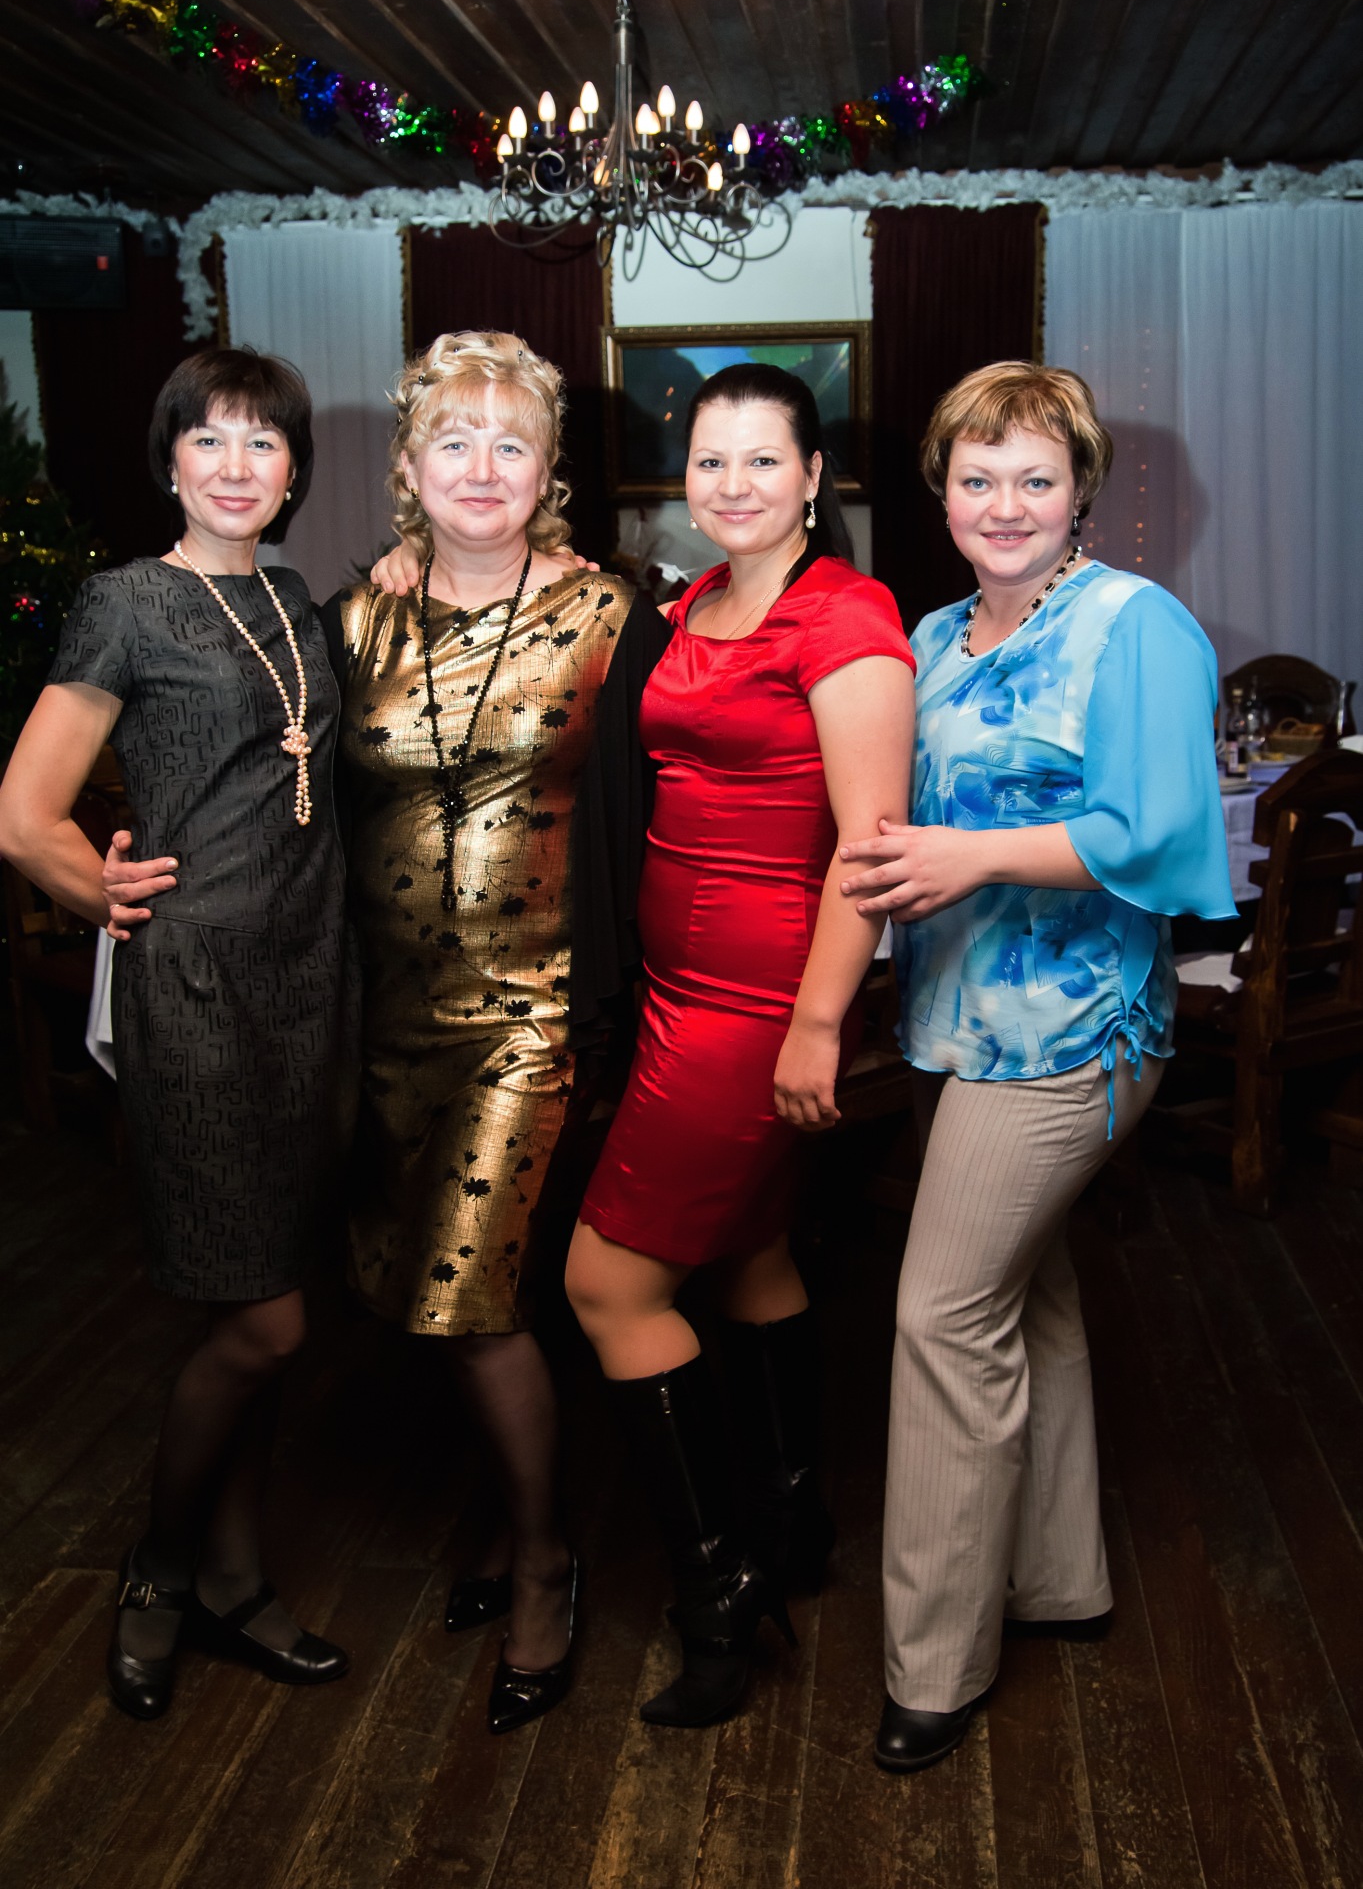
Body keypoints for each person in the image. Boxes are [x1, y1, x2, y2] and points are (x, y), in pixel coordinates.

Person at [838, 361, 1237, 1773]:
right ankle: (1060, 1579)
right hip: (956, 1026)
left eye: (1036, 479)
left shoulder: (1136, 625)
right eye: (978, 478)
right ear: (941, 494)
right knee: (1027, 1293)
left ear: (1081, 494)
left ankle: (933, 1667)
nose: (1005, 505)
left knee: (942, 1314)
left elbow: (1159, 832)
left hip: (1075, 1034)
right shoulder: (936, 634)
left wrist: (972, 857)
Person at [562, 363, 917, 1728]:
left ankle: (719, 1598)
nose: (733, 484)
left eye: (764, 459)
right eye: (710, 460)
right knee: (751, 1248)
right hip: (675, 984)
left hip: (761, 1000)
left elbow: (871, 853)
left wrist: (818, 1025)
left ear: (814, 476)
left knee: (610, 1283)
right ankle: (795, 1516)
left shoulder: (848, 615)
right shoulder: (691, 604)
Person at [0, 348, 350, 1720]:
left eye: (263, 442)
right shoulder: (124, 602)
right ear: (170, 459)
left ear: (292, 467)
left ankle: (234, 1580)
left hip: (307, 986)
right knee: (264, 1321)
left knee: (265, 1293)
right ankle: (158, 1567)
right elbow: (23, 814)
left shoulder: (294, 599)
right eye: (209, 439)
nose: (235, 465)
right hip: (197, 991)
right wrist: (107, 895)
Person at [331, 330, 669, 1735]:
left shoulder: (611, 616)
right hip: (386, 1014)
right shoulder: (355, 621)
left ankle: (543, 1558)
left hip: (535, 1012)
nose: (483, 468)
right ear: (410, 469)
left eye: (511, 444)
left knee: (467, 1297)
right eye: (454, 443)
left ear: (549, 472)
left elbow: (676, 792)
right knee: (427, 1294)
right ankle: (501, 1508)